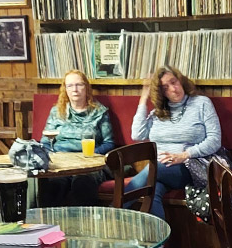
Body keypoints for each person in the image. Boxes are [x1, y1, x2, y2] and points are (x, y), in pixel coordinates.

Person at [129, 65, 221, 221]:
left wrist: (184, 155)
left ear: (181, 80)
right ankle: (159, 245)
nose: (173, 89)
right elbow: (137, 135)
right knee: (152, 193)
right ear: (162, 93)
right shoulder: (158, 113)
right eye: (165, 88)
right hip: (162, 170)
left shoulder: (201, 103)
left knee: (153, 169)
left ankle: (114, 209)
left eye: (174, 82)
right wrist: (143, 99)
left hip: (191, 166)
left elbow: (215, 140)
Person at [39, 70, 115, 206]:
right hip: (61, 162)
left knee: (82, 182)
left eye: (79, 85)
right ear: (65, 89)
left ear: (86, 87)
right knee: (52, 183)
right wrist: (53, 158)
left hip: (88, 164)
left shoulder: (100, 112)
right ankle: (48, 225)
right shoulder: (56, 112)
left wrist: (89, 155)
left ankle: (83, 224)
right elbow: (45, 142)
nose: (75, 89)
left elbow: (109, 143)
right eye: (70, 86)